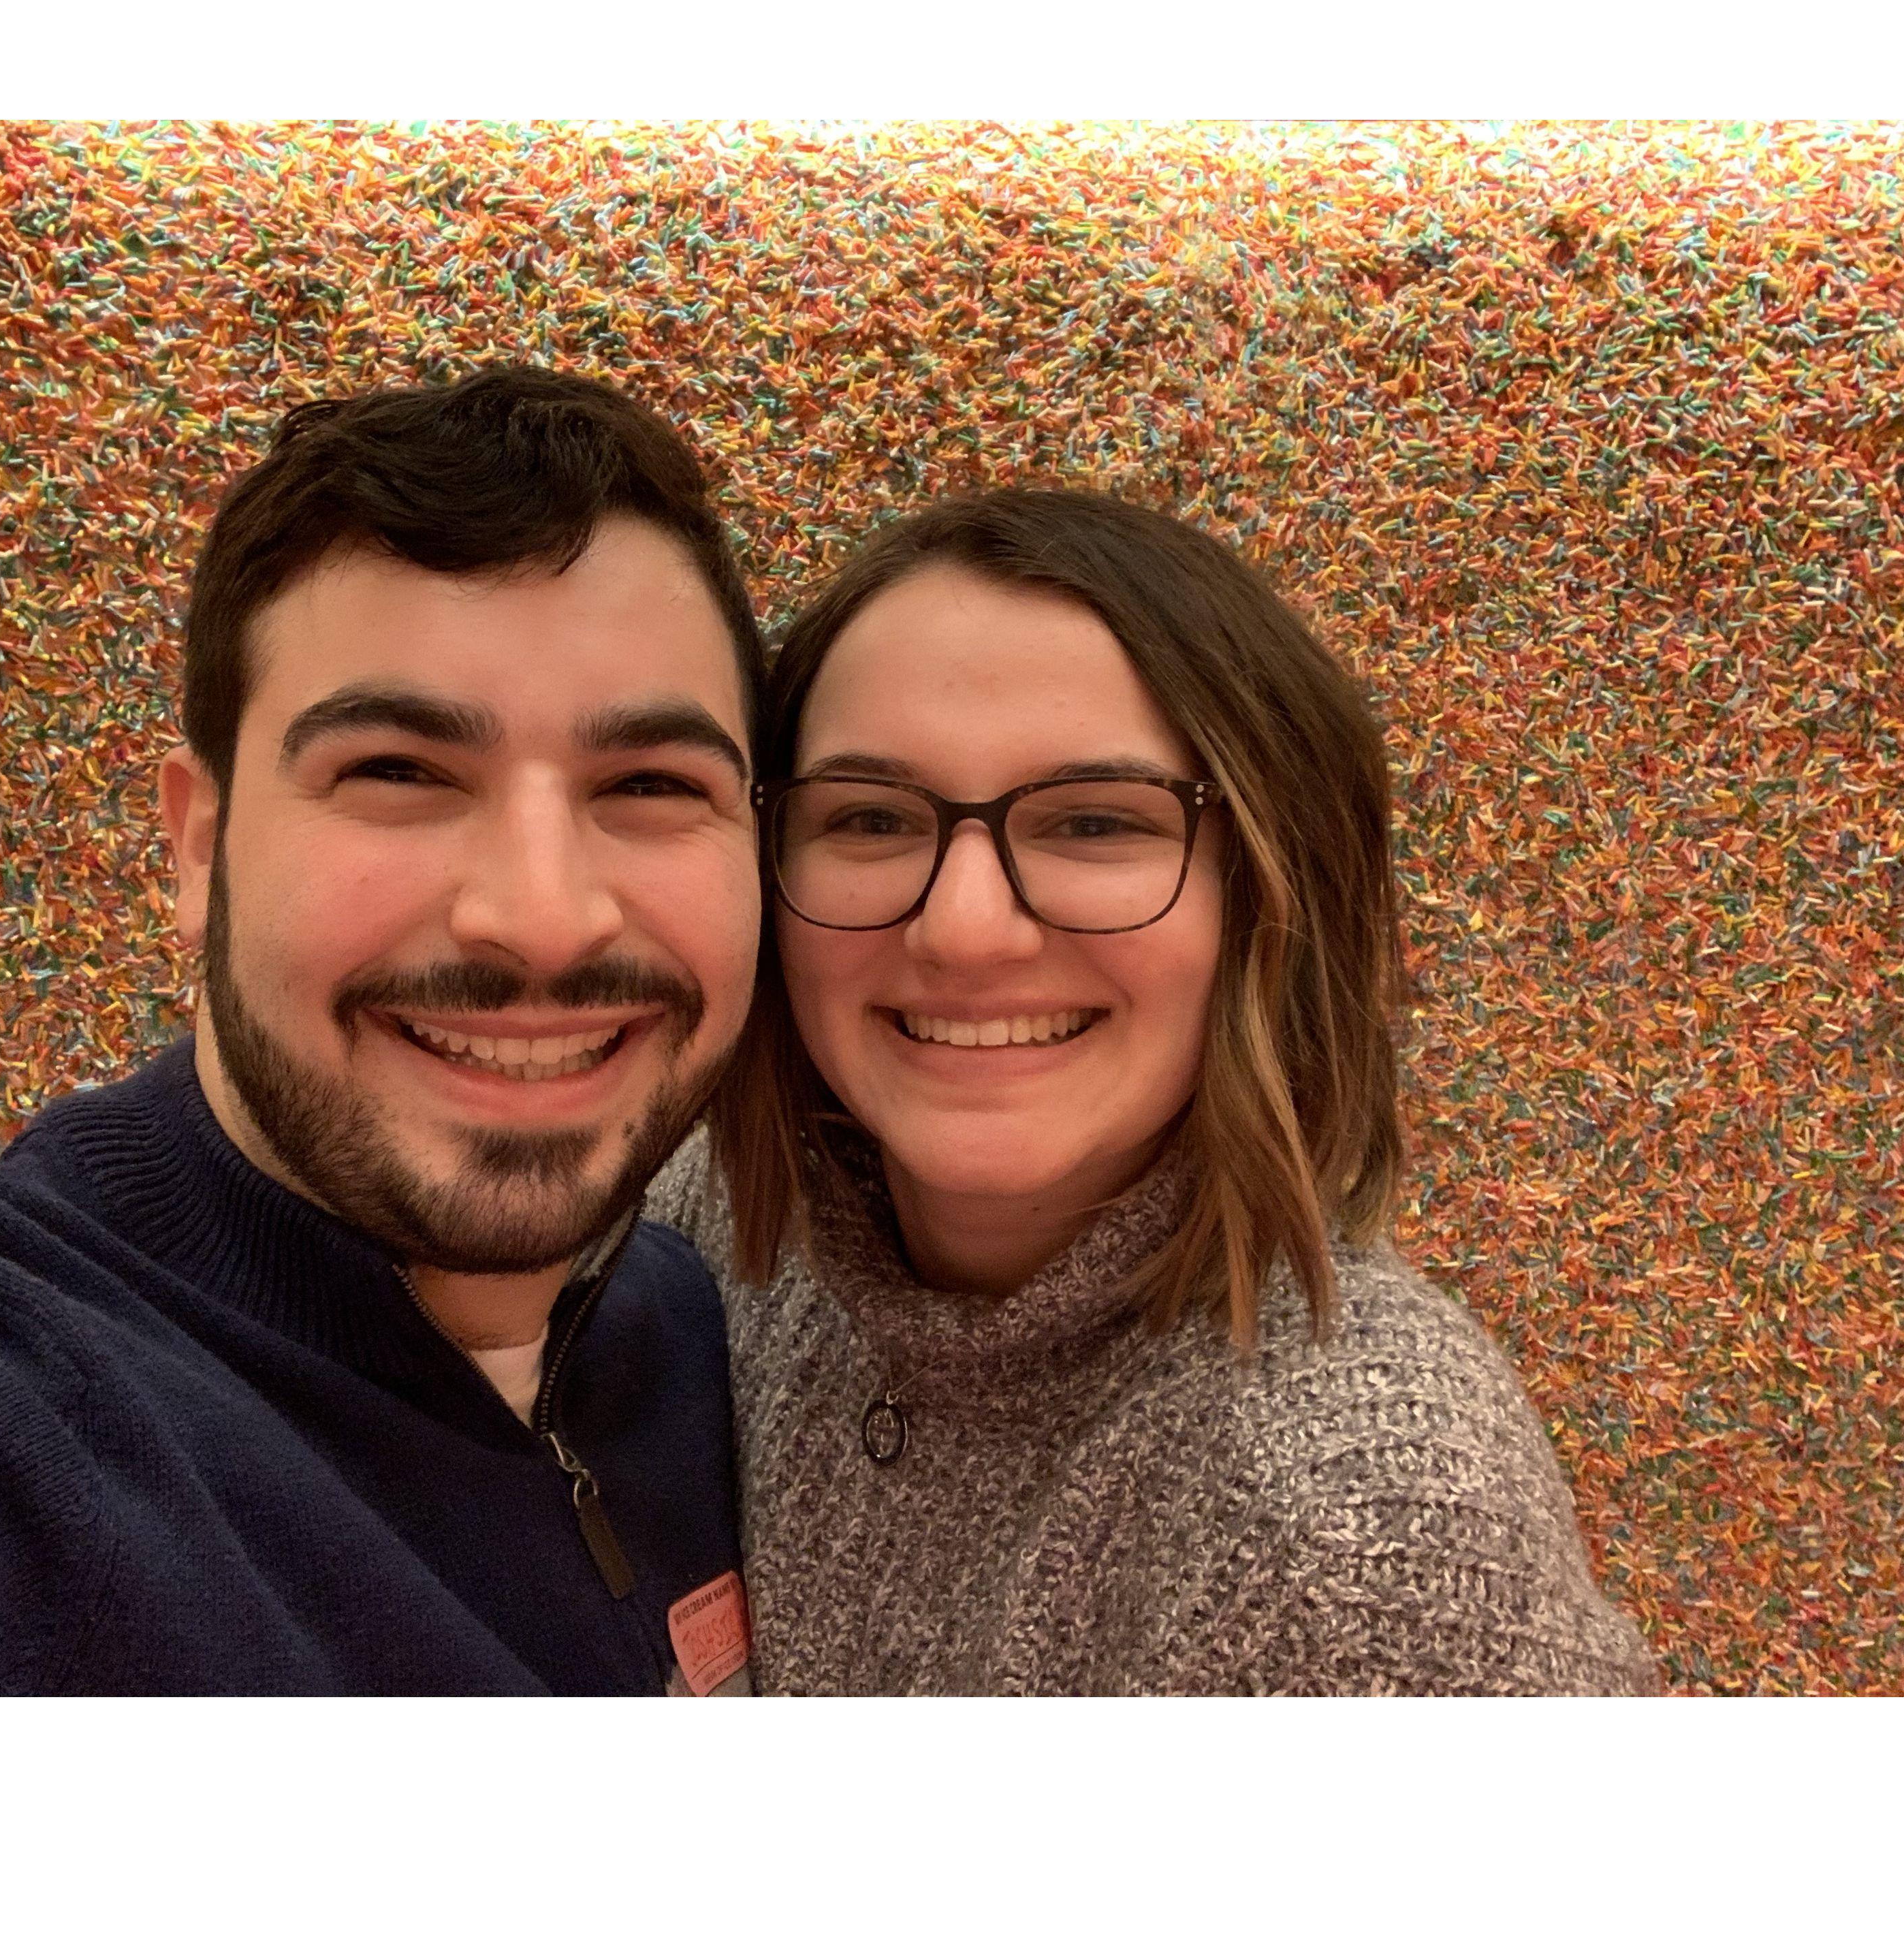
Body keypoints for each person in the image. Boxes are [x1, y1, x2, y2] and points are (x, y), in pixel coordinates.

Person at [0, 364, 765, 1695]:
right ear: (201, 844)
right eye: (397, 772)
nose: (540, 917)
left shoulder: (714, 1339)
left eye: (651, 783)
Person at [650, 487, 1662, 1695]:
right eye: (872, 817)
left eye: (1091, 822)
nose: (967, 930)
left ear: (1268, 894)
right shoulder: (720, 1230)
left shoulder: (1361, 1531)